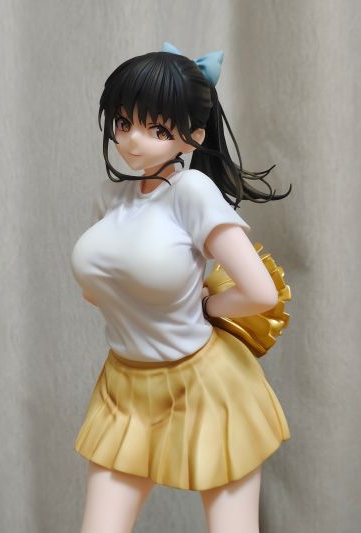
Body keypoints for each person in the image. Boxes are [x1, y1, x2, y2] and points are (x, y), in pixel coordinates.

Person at [70, 42, 292, 533]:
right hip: (124, 387)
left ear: (192, 137)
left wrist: (210, 305)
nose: (132, 140)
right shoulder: (111, 197)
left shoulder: (191, 192)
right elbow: (102, 283)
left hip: (207, 385)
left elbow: (260, 293)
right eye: (123, 122)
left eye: (157, 129)